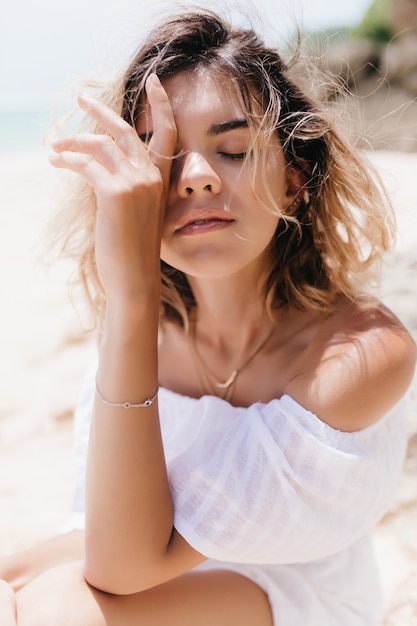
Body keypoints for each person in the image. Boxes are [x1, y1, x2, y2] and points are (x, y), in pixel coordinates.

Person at [1, 7, 416, 625]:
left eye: (233, 149)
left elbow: (121, 567)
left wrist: (134, 291)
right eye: (162, 156)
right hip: (144, 559)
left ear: (295, 179)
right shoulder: (155, 332)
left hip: (292, 594)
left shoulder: (358, 352)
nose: (194, 178)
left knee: (63, 610)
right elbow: (102, 534)